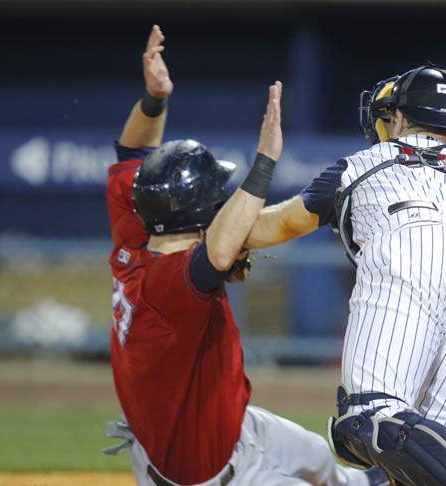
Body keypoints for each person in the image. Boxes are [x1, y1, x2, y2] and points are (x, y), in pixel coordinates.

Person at [243, 65, 446, 486]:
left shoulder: (366, 164)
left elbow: (278, 226)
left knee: (365, 420)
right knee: (429, 454)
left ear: (400, 117)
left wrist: (214, 233)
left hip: (413, 249)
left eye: (387, 116)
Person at [105, 25, 388, 486]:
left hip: (230, 427)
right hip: (207, 473)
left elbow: (132, 148)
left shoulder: (136, 232)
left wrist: (154, 100)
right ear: (198, 211)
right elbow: (217, 254)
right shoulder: (169, 285)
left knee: (334, 469)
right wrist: (265, 161)